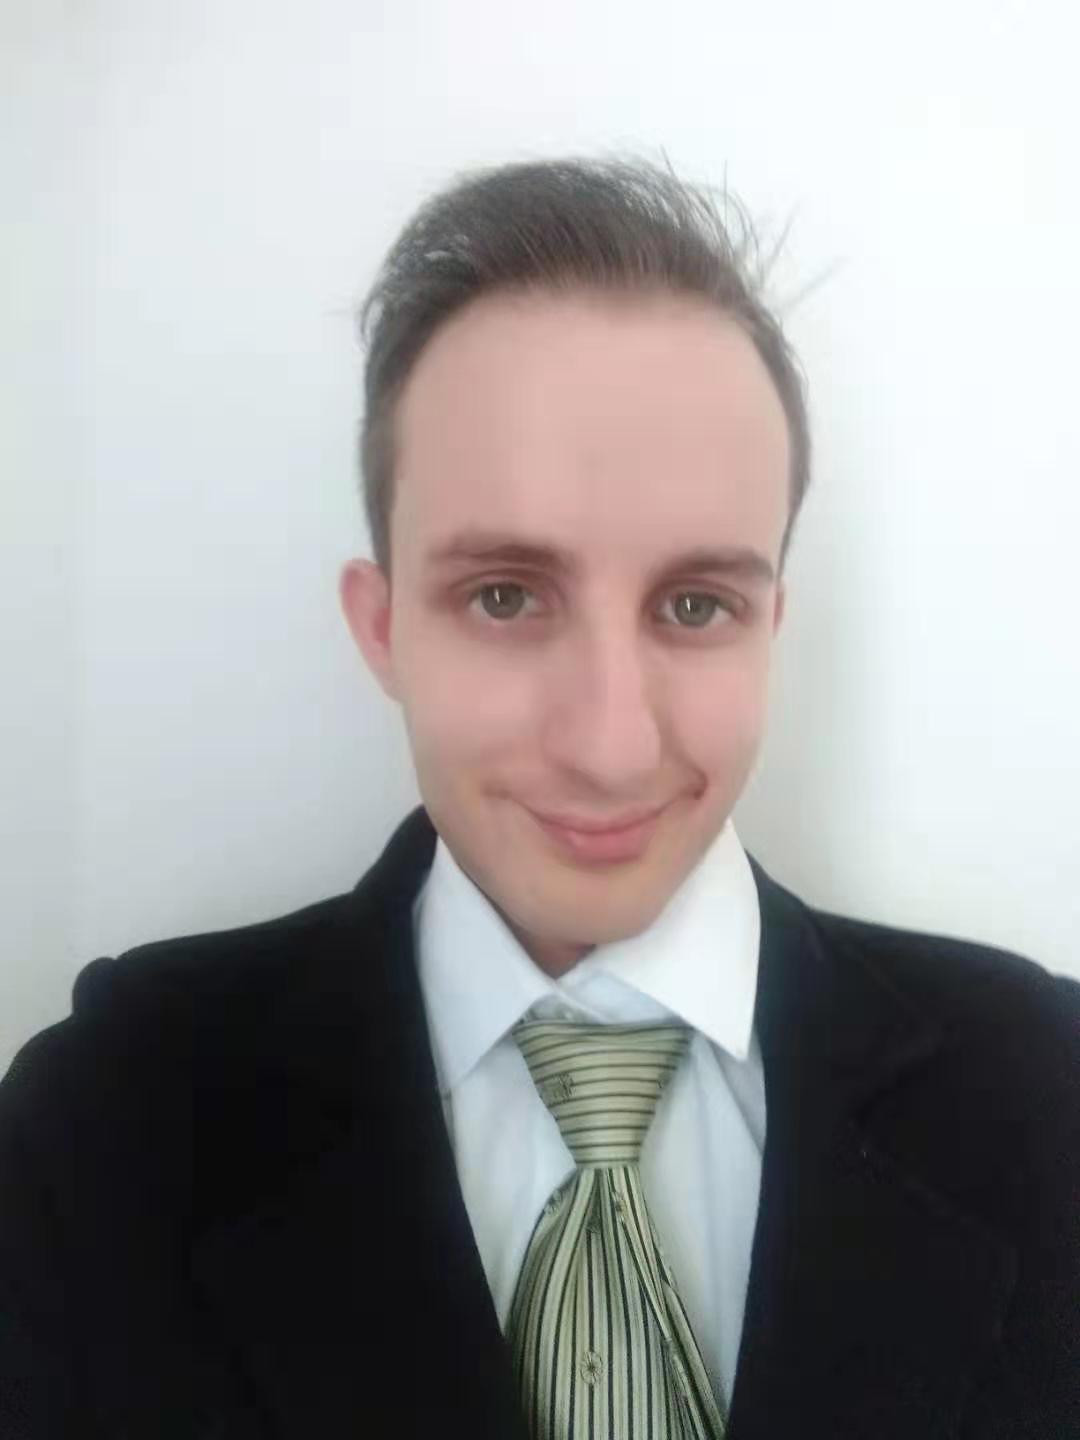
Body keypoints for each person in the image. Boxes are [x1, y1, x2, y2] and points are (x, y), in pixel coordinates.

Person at [1, 153, 1076, 1440]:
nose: (611, 747)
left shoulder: (1050, 1094)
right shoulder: (106, 1119)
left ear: (772, 628)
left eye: (697, 606)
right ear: (383, 627)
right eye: (505, 596)